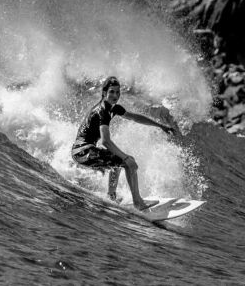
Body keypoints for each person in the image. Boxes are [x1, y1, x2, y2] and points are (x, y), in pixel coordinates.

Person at [71, 76, 177, 210]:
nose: (115, 95)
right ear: (104, 93)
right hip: (82, 151)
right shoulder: (102, 111)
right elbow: (105, 141)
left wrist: (160, 126)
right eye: (111, 92)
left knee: (116, 161)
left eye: (117, 92)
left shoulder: (113, 108)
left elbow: (135, 118)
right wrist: (126, 158)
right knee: (128, 162)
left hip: (83, 151)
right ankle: (138, 202)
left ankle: (111, 196)